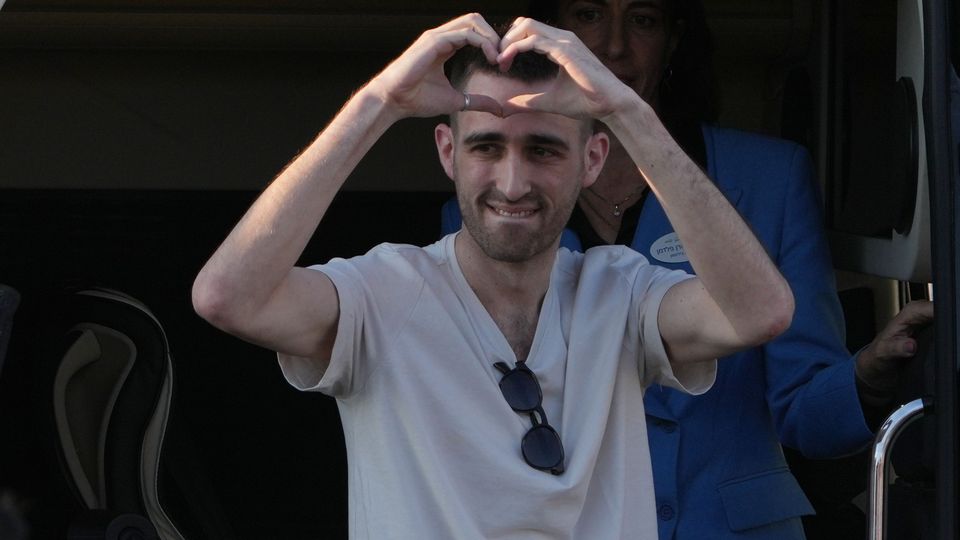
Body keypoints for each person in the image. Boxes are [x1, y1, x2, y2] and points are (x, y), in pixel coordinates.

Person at [192, 13, 795, 540]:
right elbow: (227, 297)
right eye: (485, 147)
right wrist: (379, 103)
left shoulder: (623, 291)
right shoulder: (382, 291)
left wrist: (628, 112)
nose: (512, 184)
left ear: (593, 160)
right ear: (447, 152)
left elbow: (759, 313)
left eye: (543, 151)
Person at [436, 2, 935, 539]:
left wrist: (868, 375)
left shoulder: (769, 177)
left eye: (643, 19)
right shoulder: (495, 202)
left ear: (673, 40)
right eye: (588, 14)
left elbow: (808, 416)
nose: (614, 45)